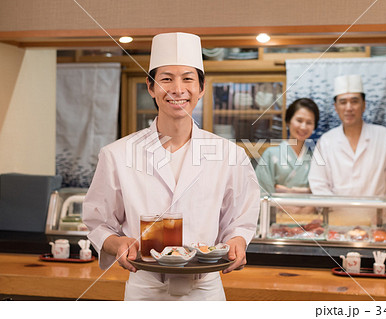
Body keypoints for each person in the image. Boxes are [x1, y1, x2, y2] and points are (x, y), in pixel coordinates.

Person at [82, 32, 260, 300]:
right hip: (146, 291)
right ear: (151, 87)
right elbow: (98, 222)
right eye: (166, 79)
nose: (177, 89)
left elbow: (241, 221)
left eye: (188, 78)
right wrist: (116, 243)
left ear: (201, 88)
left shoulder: (230, 155)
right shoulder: (116, 154)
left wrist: (237, 241)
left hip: (205, 293)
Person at [308, 74, 386, 197]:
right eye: (343, 102)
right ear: (336, 107)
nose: (349, 108)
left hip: (377, 214)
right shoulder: (326, 141)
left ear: (364, 105)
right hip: (337, 214)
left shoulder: (384, 136)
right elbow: (318, 182)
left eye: (354, 101)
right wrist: (332, 210)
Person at [255, 98, 320, 195]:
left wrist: (288, 191)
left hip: (308, 210)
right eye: (299, 120)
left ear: (314, 126)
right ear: (288, 121)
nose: (303, 127)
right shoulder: (270, 154)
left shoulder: (315, 158)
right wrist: (305, 191)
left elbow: (319, 192)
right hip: (277, 210)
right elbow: (262, 193)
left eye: (309, 122)